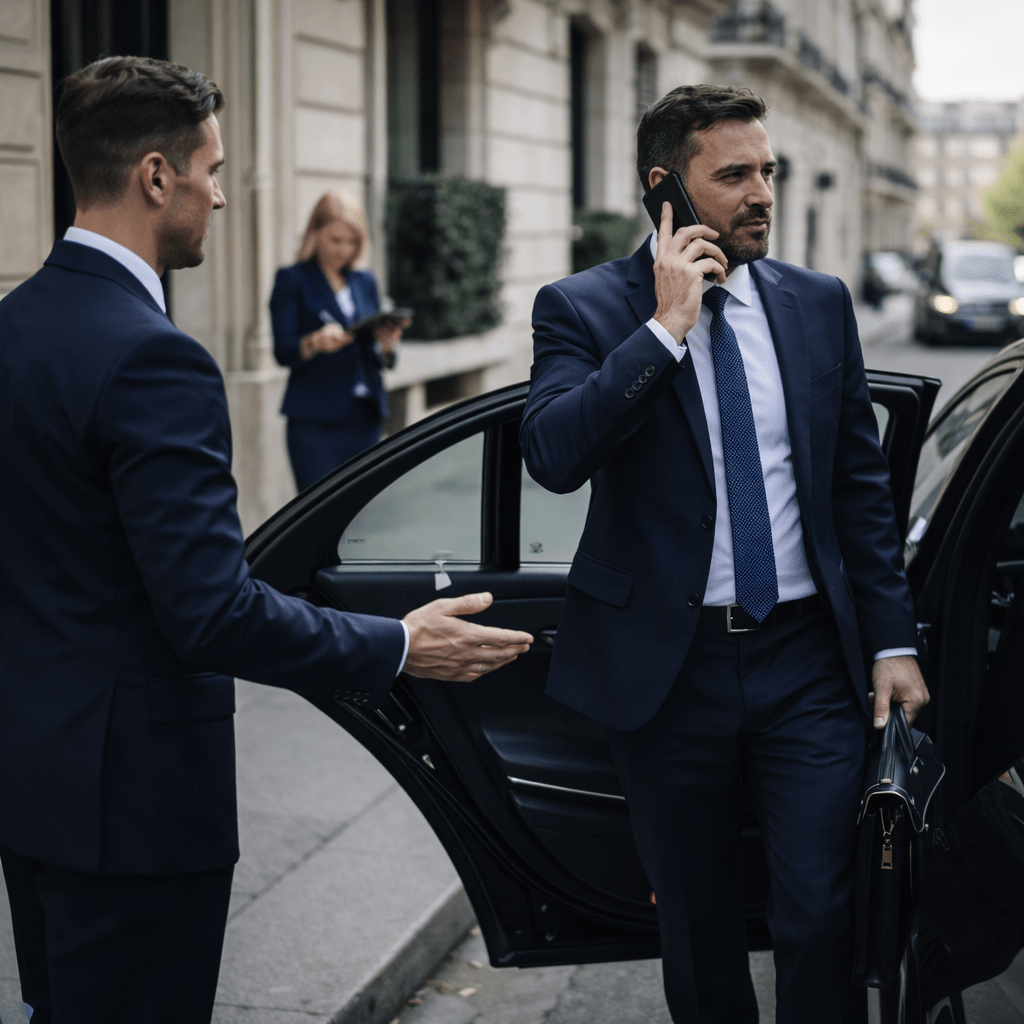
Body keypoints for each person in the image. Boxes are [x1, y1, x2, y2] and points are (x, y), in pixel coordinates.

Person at [0, 56, 532, 1024]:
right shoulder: (153, 356)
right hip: (140, 804)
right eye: (211, 169)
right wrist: (404, 645)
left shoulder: (14, 326)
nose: (218, 194)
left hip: (34, 779)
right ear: (155, 174)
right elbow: (210, 612)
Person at [520, 85, 929, 1023]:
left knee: (823, 915)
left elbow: (858, 490)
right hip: (669, 674)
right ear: (667, 189)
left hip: (805, 661)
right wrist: (664, 329)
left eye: (768, 171)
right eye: (734, 174)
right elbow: (553, 455)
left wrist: (890, 641)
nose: (762, 193)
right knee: (699, 931)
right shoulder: (582, 309)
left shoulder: (816, 304)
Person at [270, 190, 407, 492]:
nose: (344, 250)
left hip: (365, 419)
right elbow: (282, 351)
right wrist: (314, 343)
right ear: (314, 232)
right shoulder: (292, 279)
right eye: (335, 239)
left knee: (360, 517)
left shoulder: (365, 281)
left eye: (352, 241)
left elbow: (375, 355)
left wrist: (387, 347)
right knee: (316, 516)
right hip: (315, 423)